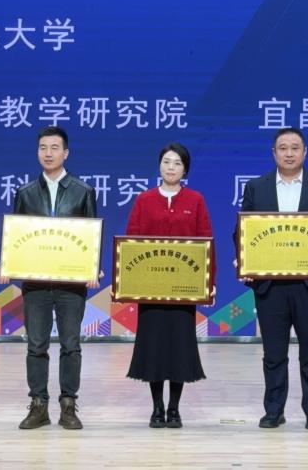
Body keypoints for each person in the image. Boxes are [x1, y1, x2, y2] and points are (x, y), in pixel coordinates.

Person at [238, 127, 308, 431]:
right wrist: (243, 257)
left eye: (295, 148)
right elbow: (243, 229)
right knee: (274, 353)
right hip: (270, 285)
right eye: (282, 148)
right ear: (273, 153)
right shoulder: (256, 187)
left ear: (305, 152)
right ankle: (274, 410)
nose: (289, 153)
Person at [0, 126, 99, 431]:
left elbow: (91, 236)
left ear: (66, 153)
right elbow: (17, 236)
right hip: (36, 284)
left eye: (55, 148)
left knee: (71, 345)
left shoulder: (83, 191)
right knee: (36, 345)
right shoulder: (25, 192)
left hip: (71, 285)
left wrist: (92, 268)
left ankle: (68, 405)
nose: (48, 153)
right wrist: (7, 264)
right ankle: (38, 405)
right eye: (43, 147)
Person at [124, 142, 215, 429]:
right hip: (151, 289)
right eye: (166, 162)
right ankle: (157, 408)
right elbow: (131, 242)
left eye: (177, 163)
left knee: (178, 348)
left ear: (185, 169)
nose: (171, 167)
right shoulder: (144, 200)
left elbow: (206, 242)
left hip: (183, 290)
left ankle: (174, 409)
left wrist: (209, 282)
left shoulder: (195, 200)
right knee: (154, 348)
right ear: (159, 166)